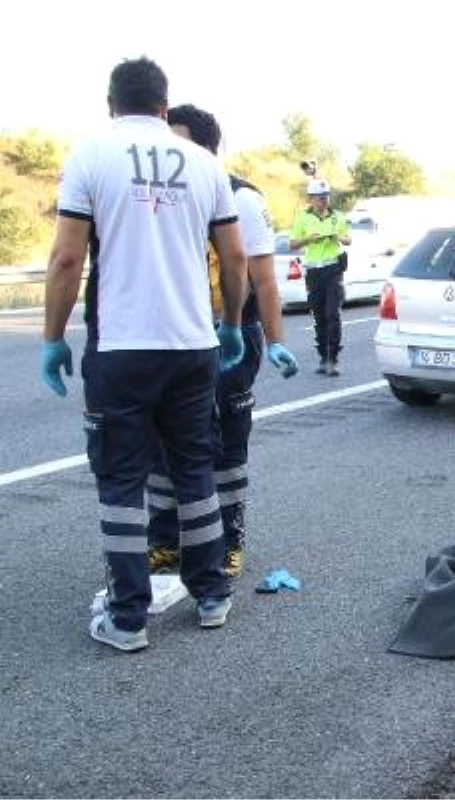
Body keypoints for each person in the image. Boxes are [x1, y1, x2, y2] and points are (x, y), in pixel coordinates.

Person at [40, 56, 248, 651]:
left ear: (111, 106)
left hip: (123, 348)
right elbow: (232, 261)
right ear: (164, 106)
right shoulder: (205, 165)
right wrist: (231, 325)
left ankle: (128, 618)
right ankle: (211, 595)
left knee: (122, 478)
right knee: (192, 468)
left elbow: (65, 259)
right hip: (193, 347)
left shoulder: (90, 157)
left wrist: (54, 337)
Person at [144, 104, 299, 581]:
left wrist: (273, 339)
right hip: (172, 339)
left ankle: (229, 539)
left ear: (207, 147)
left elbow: (264, 281)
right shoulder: (161, 196)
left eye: (179, 141)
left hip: (229, 337)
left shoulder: (240, 198)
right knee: (162, 443)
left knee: (226, 443)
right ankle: (166, 540)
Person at [289, 179, 351, 375]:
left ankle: (333, 359)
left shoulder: (337, 217)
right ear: (311, 199)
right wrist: (308, 239)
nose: (324, 201)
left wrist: (337, 236)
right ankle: (323, 357)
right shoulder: (302, 218)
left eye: (326, 197)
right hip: (314, 272)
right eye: (320, 198)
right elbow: (292, 244)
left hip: (333, 269)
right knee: (319, 316)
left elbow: (348, 239)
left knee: (332, 313)